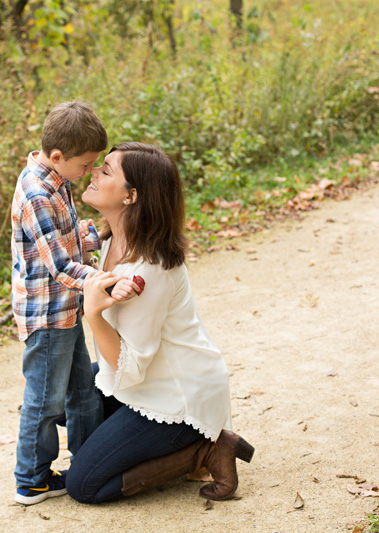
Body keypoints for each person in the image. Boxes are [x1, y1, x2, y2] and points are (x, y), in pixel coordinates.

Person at [65, 142, 254, 504]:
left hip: (174, 398)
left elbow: (131, 367)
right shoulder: (109, 240)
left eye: (105, 171)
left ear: (130, 196)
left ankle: (205, 450)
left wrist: (93, 314)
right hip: (143, 379)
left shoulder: (150, 268)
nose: (93, 172)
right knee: (55, 395)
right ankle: (120, 444)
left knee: (84, 485)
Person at [10, 102, 135, 506]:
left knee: (83, 391)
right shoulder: (36, 191)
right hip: (46, 316)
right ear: (59, 156)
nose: (89, 172)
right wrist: (106, 281)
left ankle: (85, 461)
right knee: (45, 399)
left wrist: (100, 236)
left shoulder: (58, 178)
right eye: (86, 165)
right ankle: (31, 478)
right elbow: (61, 264)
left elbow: (69, 238)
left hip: (67, 310)